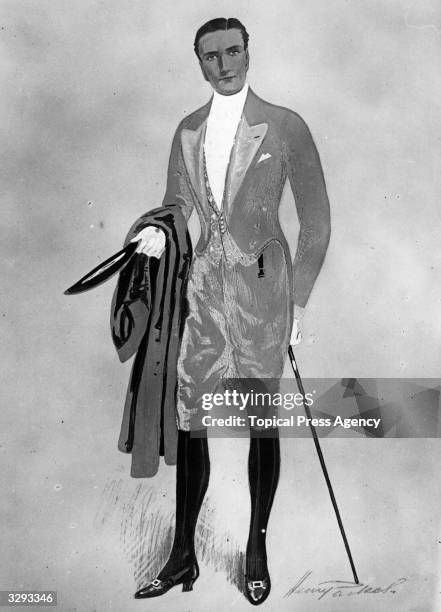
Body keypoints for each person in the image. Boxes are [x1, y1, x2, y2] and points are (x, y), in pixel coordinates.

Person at [129, 17, 330, 605]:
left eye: (233, 52)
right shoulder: (188, 129)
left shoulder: (286, 126)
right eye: (211, 56)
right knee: (190, 418)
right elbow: (177, 204)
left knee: (260, 421)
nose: (224, 65)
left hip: (265, 297)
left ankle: (257, 546)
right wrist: (159, 234)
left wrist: (298, 301)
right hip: (203, 297)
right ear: (199, 62)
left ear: (249, 52)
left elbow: (315, 225)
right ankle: (183, 555)